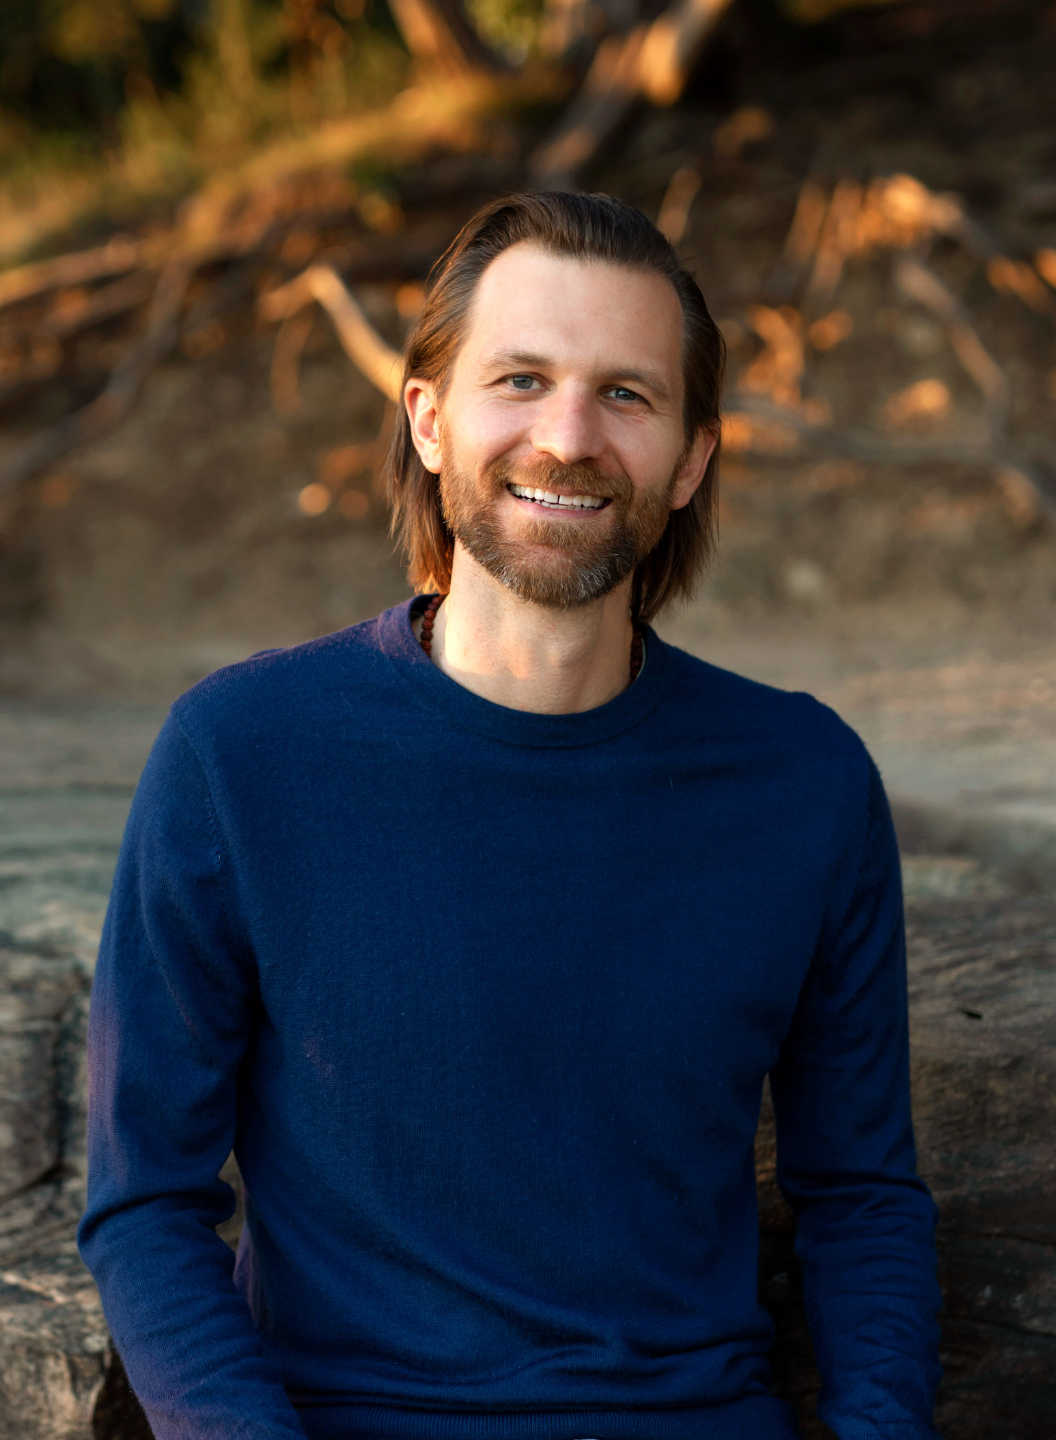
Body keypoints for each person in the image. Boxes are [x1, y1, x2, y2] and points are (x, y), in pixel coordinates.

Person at [78, 192, 941, 1440]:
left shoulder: (804, 782)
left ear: (692, 458)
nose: (569, 437)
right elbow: (145, 1202)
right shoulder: (241, 756)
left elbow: (861, 1196)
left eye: (626, 395)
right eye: (521, 380)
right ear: (429, 419)